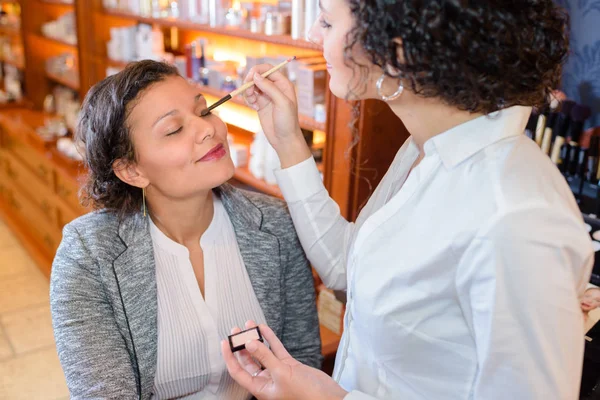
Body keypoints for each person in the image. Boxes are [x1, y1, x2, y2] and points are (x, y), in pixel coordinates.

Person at [220, 0, 595, 399]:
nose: (313, 35)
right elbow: (352, 271)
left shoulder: (513, 217)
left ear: (397, 51)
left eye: (327, 21)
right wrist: (287, 141)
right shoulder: (427, 148)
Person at [50, 60, 322, 400]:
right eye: (174, 129)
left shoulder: (276, 224)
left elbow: (303, 366)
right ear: (131, 170)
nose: (208, 129)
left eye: (204, 111)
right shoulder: (88, 257)